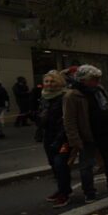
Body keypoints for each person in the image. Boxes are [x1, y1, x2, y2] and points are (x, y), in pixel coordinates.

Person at [63, 65, 108, 202]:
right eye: (94, 79)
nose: (98, 81)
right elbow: (70, 120)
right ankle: (89, 191)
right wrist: (75, 139)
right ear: (83, 79)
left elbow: (107, 106)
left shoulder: (99, 89)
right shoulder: (72, 95)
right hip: (88, 135)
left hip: (106, 132)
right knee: (87, 165)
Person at [37, 70, 73, 208]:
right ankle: (61, 189)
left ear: (59, 82)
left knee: (60, 164)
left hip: (63, 136)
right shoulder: (44, 97)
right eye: (47, 81)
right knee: (53, 163)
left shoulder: (65, 97)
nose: (49, 84)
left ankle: (65, 194)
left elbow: (68, 119)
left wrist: (61, 136)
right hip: (48, 135)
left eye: (52, 81)